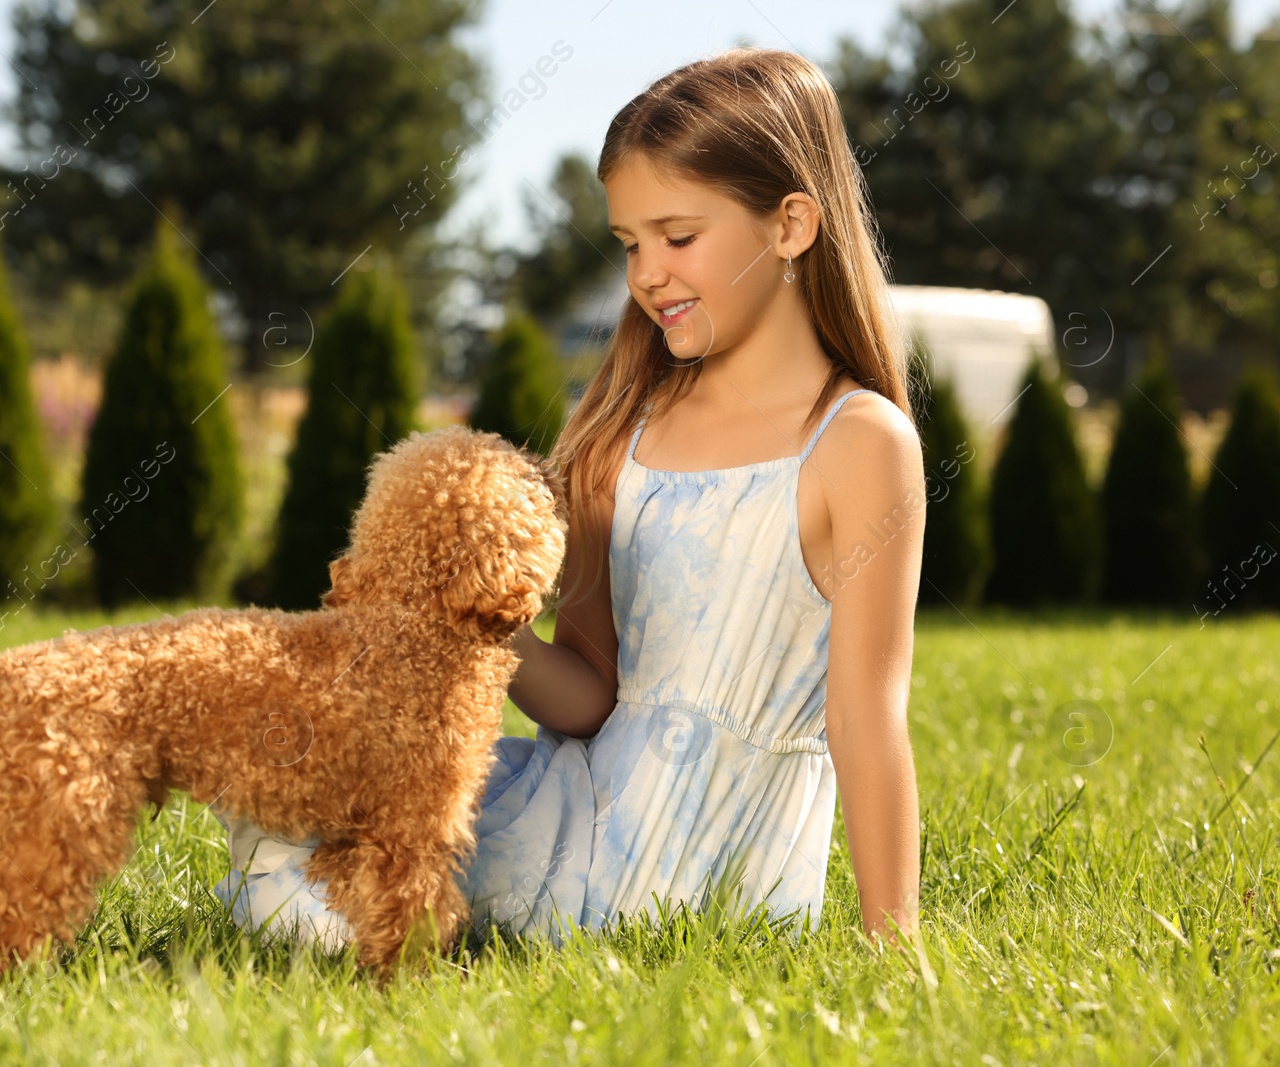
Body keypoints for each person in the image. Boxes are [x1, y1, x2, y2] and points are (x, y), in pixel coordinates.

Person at [213, 45, 923, 953]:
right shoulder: (623, 431)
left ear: (791, 225)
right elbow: (589, 697)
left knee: (323, 898)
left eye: (678, 237)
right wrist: (484, 629)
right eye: (630, 244)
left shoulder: (857, 440)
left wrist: (893, 949)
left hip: (713, 859)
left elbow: (866, 715)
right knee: (293, 813)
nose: (647, 274)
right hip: (579, 814)